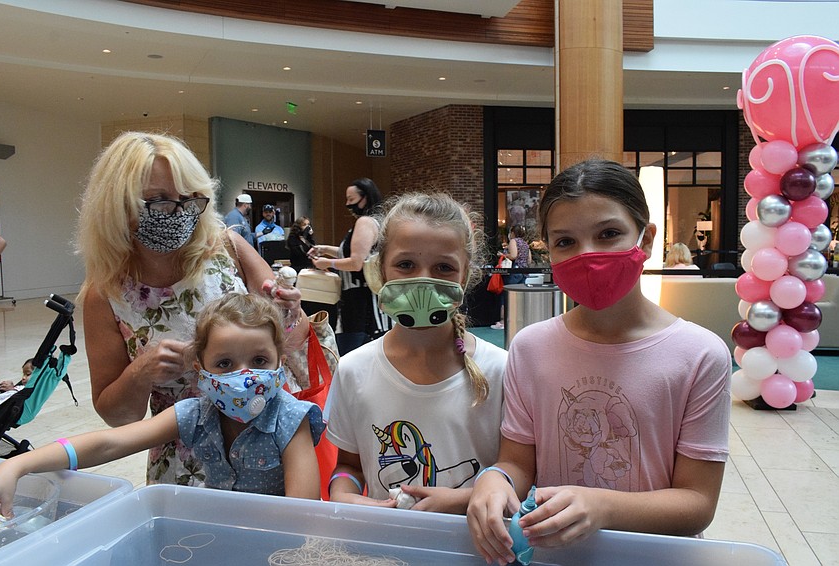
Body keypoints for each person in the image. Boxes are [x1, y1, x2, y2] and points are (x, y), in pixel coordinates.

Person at [467, 159, 731, 563]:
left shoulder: (699, 355)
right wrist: (495, 481)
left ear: (645, 240)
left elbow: (697, 501)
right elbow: (517, 462)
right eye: (566, 241)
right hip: (557, 556)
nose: (587, 255)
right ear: (549, 250)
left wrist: (603, 507)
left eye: (608, 234)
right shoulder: (531, 347)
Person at [76, 131, 315, 487]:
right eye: (158, 201)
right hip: (184, 465)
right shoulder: (106, 294)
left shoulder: (226, 248)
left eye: (188, 199)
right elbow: (117, 418)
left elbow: (291, 341)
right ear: (118, 206)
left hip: (268, 448)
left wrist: (291, 312)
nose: (177, 212)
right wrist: (141, 372)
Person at [0, 293, 324, 517]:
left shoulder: (291, 422)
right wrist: (17, 465)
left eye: (259, 360)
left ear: (280, 360)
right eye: (224, 364)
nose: (245, 375)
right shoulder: (196, 414)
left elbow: (302, 516)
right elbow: (108, 443)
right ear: (200, 368)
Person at [324, 192, 507, 514]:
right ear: (380, 270)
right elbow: (349, 467)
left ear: (464, 275)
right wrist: (345, 495)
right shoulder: (354, 369)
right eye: (406, 265)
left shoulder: (499, 370)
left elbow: (516, 475)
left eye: (443, 267)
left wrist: (462, 501)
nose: (423, 281)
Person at [310, 178, 390, 353]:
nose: (347, 204)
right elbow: (354, 253)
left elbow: (355, 262)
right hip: (369, 300)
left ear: (365, 198)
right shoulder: (377, 221)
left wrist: (327, 263)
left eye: (351, 200)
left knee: (350, 354)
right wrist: (324, 249)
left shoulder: (365, 222)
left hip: (360, 302)